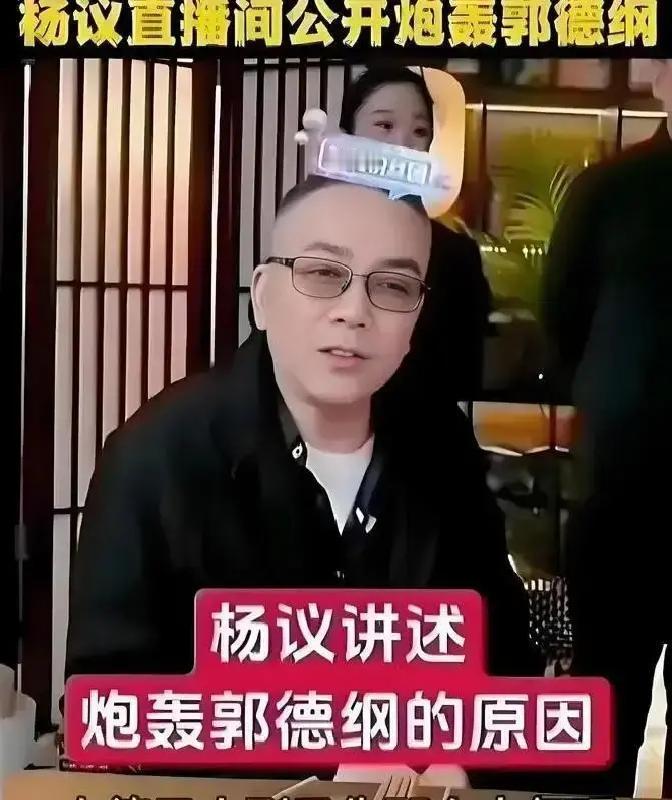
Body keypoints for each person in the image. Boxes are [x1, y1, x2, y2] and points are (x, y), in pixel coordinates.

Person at [66, 174, 540, 784]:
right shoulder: (156, 456)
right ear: (263, 296)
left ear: (418, 316)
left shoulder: (440, 444)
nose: (354, 312)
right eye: (322, 274)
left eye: (393, 286)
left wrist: (463, 760)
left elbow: (503, 653)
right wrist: (323, 765)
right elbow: (108, 708)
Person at [542, 59, 672, 796]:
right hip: (622, 487)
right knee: (605, 697)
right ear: (658, 75)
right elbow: (564, 319)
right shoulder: (609, 189)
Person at [340, 65, 492, 403]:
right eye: (384, 125)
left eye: (420, 131)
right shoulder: (311, 233)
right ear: (347, 136)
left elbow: (465, 371)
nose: (403, 144)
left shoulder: (455, 255)